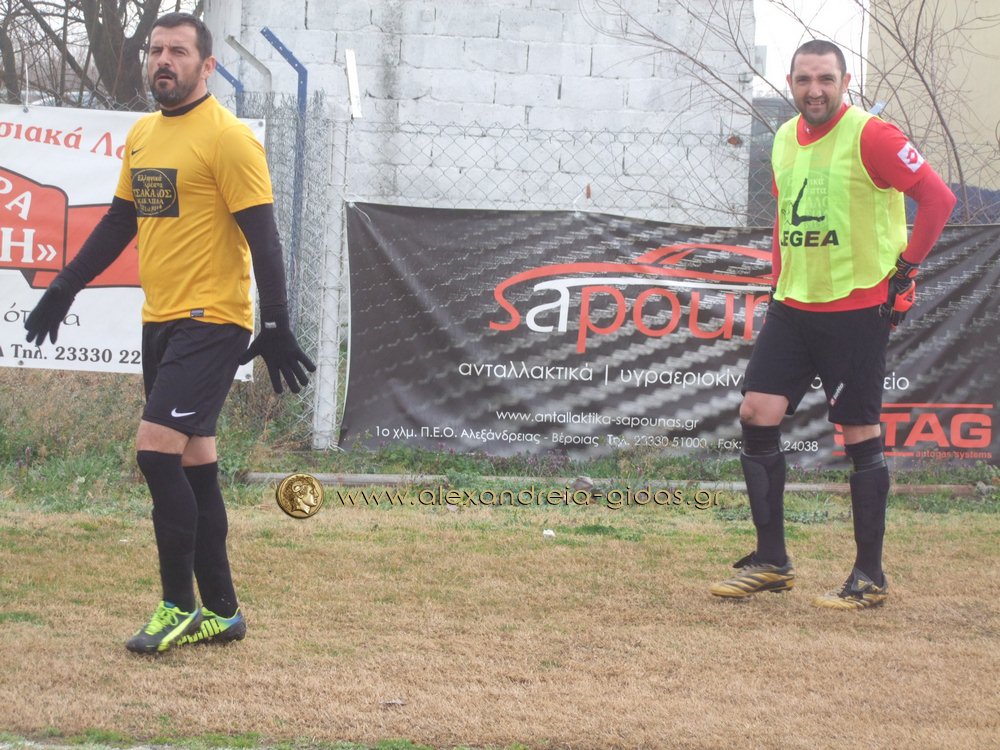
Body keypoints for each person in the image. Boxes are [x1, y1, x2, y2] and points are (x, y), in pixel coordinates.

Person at [24, 12, 315, 652]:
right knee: (193, 463)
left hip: (212, 320)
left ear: (206, 66)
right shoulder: (144, 135)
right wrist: (66, 285)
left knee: (155, 453)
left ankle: (178, 606)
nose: (163, 60)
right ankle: (224, 612)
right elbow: (118, 222)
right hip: (161, 319)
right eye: (156, 50)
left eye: (178, 51)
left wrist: (274, 320)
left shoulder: (229, 139)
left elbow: (264, 238)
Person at [710, 40, 955, 609]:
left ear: (845, 82)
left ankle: (869, 576)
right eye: (804, 79)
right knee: (756, 412)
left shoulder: (872, 135)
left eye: (825, 79)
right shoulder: (781, 139)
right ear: (790, 84)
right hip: (794, 305)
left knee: (858, 433)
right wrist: (778, 281)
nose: (814, 90)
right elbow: (782, 220)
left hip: (858, 307)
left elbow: (938, 199)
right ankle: (771, 561)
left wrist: (906, 269)